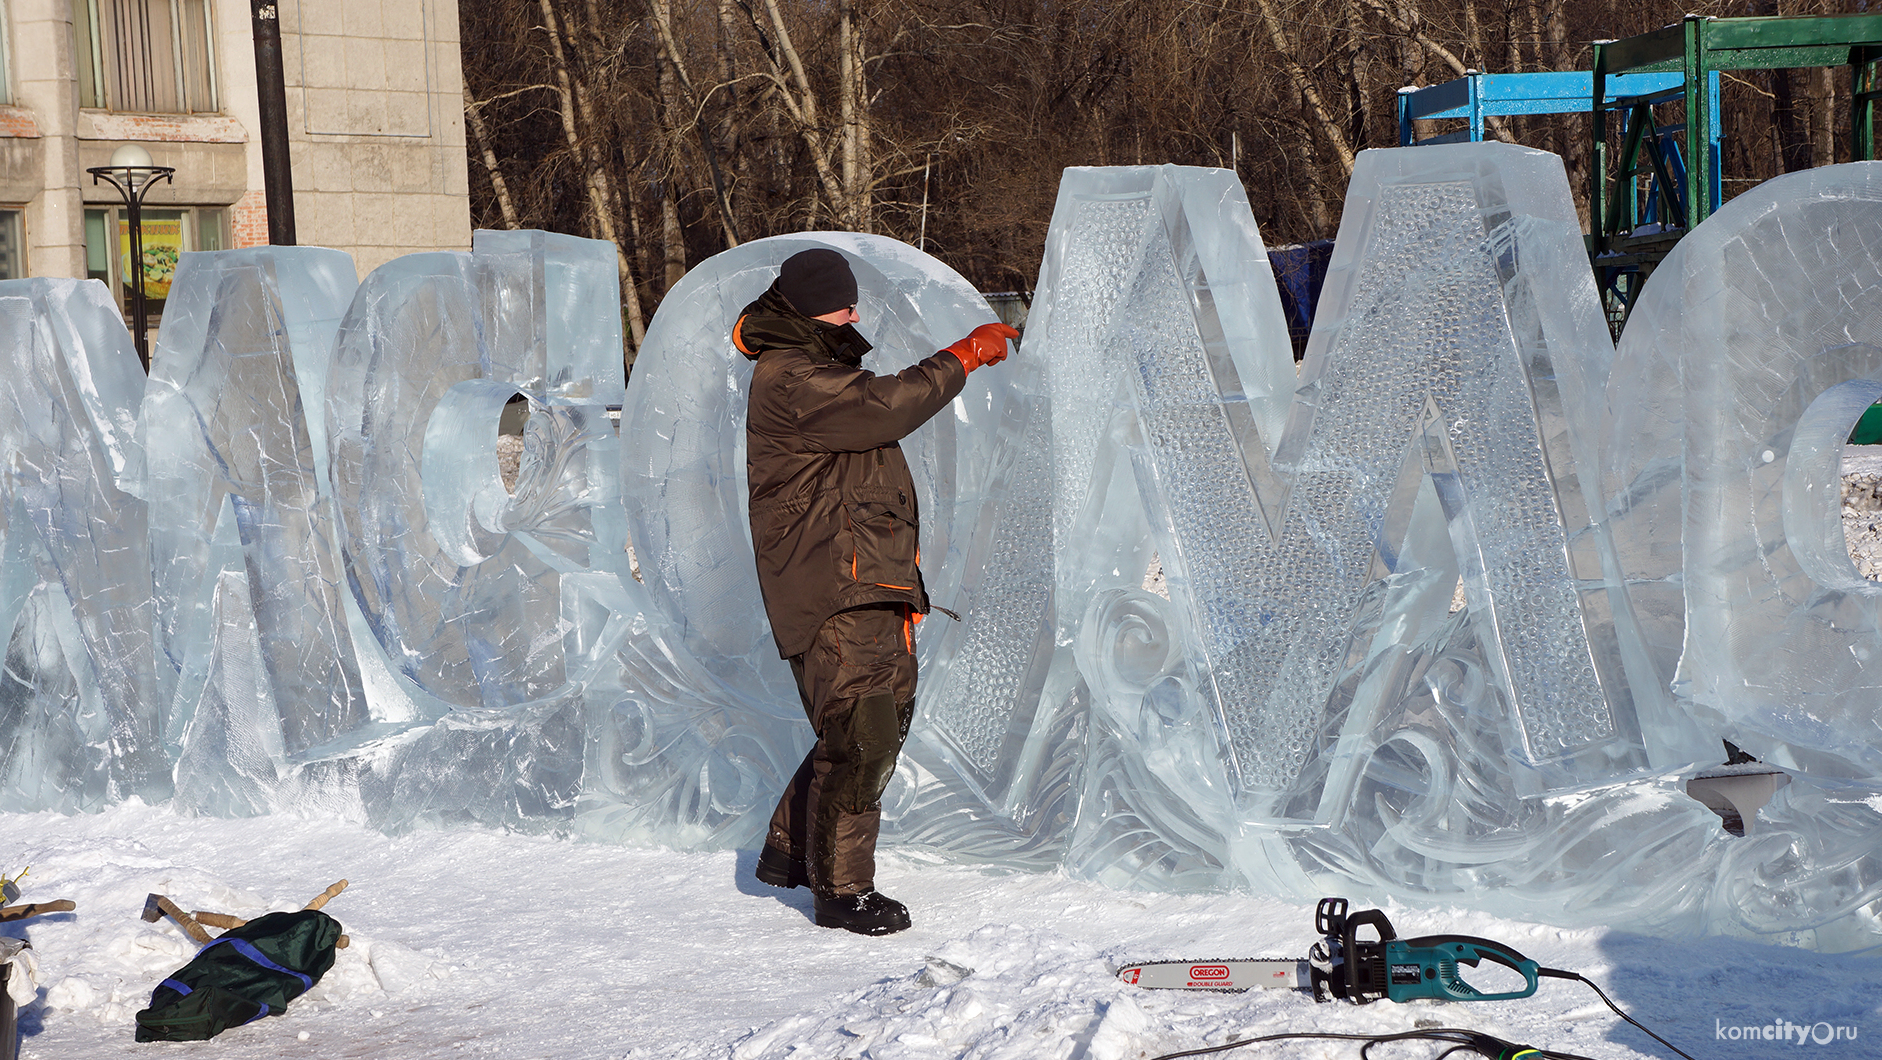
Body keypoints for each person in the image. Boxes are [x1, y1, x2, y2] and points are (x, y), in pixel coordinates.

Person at [733, 248, 1016, 935]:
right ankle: (841, 891)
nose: (854, 314)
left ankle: (790, 847)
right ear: (804, 307)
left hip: (870, 579)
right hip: (834, 584)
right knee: (864, 733)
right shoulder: (791, 378)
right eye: (841, 304)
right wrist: (964, 355)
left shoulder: (821, 368)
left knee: (871, 721)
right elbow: (888, 406)